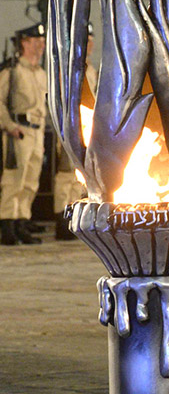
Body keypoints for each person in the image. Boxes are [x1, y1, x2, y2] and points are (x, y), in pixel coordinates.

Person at [0, 23, 47, 246]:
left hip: (37, 132)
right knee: (14, 181)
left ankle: (22, 222)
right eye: (36, 41)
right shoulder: (12, 71)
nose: (41, 45)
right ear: (24, 43)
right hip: (19, 131)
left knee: (31, 181)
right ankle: (8, 225)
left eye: (42, 42)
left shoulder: (41, 73)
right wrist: (8, 125)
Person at [52, 22, 97, 240]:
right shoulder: (67, 70)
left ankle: (74, 217)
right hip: (70, 127)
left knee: (80, 174)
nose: (88, 45)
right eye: (84, 41)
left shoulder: (93, 71)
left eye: (90, 41)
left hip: (88, 128)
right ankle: (62, 217)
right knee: (65, 175)